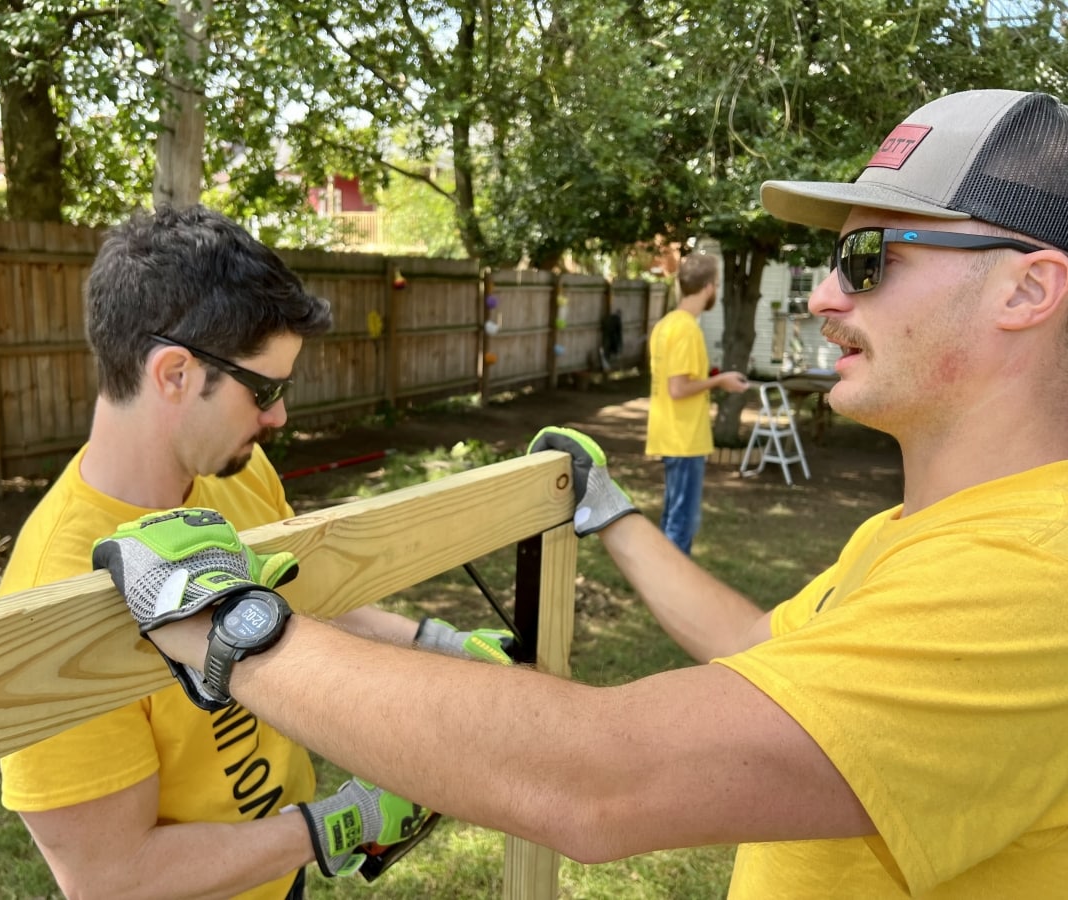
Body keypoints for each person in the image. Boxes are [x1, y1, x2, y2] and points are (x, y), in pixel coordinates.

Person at [94, 89, 1068, 898]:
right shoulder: (935, 533)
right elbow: (770, 654)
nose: (823, 295)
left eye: (870, 259)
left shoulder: (1033, 578)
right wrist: (615, 516)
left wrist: (227, 627)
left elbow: (609, 781)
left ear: (1026, 290)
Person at [0, 205, 512, 899]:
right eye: (263, 389)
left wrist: (434, 643)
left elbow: (296, 603)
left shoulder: (232, 475)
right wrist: (340, 823)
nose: (279, 417)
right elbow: (110, 878)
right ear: (174, 373)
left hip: (275, 877)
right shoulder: (48, 597)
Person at [645, 251, 748, 553]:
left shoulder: (666, 325)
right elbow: (678, 388)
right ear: (709, 287)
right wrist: (721, 380)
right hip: (684, 439)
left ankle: (664, 586)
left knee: (672, 518)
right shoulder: (687, 329)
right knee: (682, 524)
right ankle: (673, 594)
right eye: (715, 283)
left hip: (670, 434)